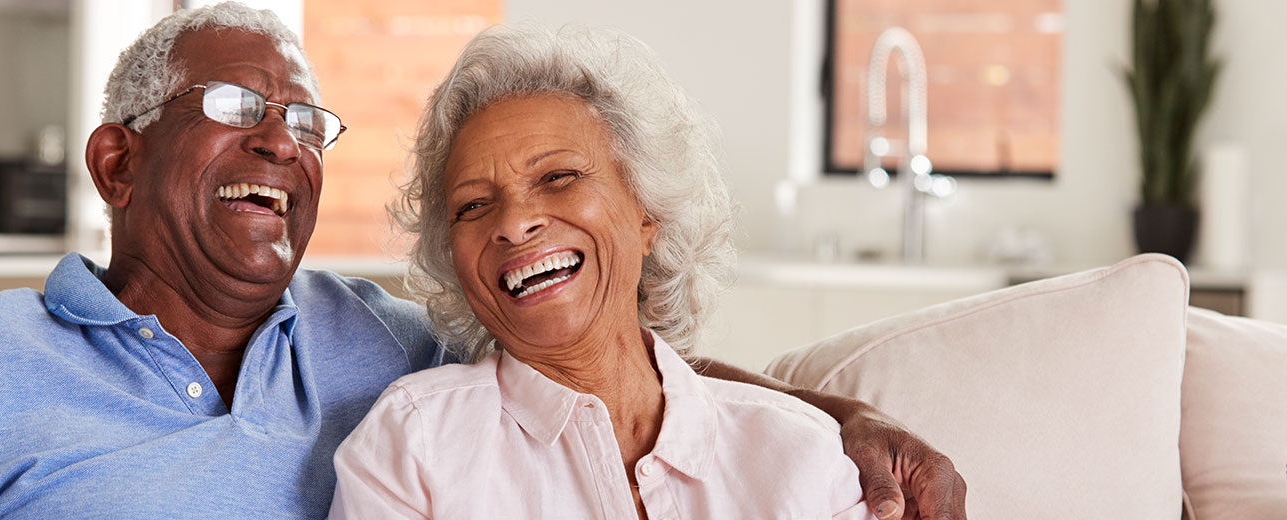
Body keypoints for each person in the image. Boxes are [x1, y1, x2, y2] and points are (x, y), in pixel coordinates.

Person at [0, 3, 961, 519]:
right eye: (239, 105)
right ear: (115, 161)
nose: (282, 139)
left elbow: (598, 366)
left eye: (304, 119)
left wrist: (838, 421)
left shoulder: (377, 343)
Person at [329, 24, 961, 520]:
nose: (514, 223)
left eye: (559, 177)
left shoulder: (800, 454)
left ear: (647, 212)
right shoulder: (416, 443)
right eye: (473, 205)